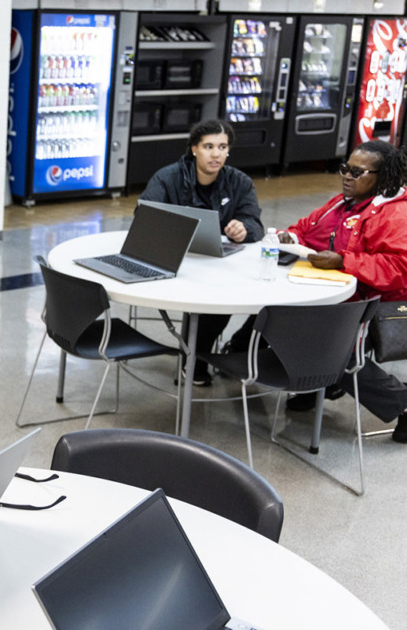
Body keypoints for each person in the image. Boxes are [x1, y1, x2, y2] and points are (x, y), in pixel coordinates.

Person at [265, 140, 407, 442]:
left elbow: (398, 268)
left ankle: (402, 404)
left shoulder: (394, 214)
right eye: (345, 169)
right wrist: (290, 236)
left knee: (334, 350)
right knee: (270, 316)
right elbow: (306, 228)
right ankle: (317, 383)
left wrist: (345, 261)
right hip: (325, 295)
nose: (347, 176)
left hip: (367, 304)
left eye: (357, 172)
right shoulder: (342, 203)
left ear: (383, 177)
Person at [139, 119, 264, 385]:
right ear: (194, 148)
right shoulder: (167, 178)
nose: (216, 154)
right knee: (213, 302)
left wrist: (244, 229)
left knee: (230, 298)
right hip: (174, 260)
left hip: (218, 265)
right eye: (208, 146)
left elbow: (254, 222)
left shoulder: (239, 182)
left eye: (222, 147)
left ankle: (218, 353)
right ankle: (194, 361)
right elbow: (145, 218)